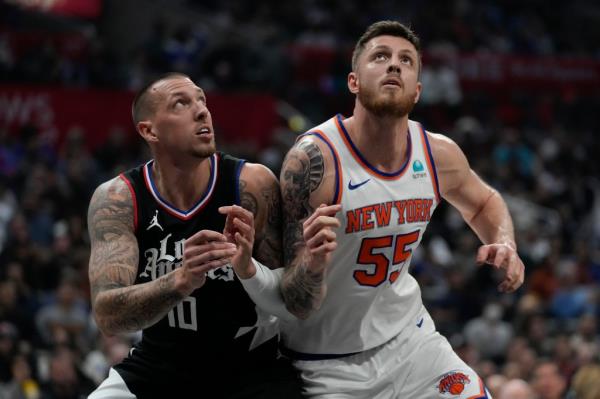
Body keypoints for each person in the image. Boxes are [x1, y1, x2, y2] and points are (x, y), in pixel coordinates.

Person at [236, 21, 525, 398]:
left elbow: (485, 200)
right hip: (324, 361)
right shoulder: (315, 160)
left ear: (418, 91)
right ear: (353, 81)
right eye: (381, 57)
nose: (394, 65)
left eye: (406, 60)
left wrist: (504, 241)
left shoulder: (438, 154)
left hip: (411, 343)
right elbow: (293, 301)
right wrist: (313, 266)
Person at [86, 72, 302, 398]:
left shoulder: (252, 185)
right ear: (149, 130)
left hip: (250, 366)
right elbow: (107, 316)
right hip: (160, 365)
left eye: (201, 100)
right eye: (181, 104)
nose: (202, 111)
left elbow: (291, 300)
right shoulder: (119, 199)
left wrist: (252, 269)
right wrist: (180, 281)